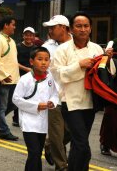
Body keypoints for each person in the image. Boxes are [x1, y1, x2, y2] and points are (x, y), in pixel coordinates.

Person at [50, 12, 112, 171]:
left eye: (86, 26)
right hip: (70, 103)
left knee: (79, 145)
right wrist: (79, 65)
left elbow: (105, 73)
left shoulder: (97, 48)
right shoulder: (63, 49)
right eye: (78, 26)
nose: (82, 29)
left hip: (90, 102)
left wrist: (107, 59)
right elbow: (57, 75)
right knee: (83, 145)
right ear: (71, 29)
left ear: (90, 28)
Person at [12, 47, 58, 171]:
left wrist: (52, 102)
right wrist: (36, 106)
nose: (44, 62)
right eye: (40, 59)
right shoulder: (25, 79)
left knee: (37, 154)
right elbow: (16, 99)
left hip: (43, 122)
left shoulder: (50, 78)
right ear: (32, 62)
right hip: (28, 122)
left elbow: (55, 93)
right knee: (34, 152)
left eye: (47, 60)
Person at [42, 15, 72, 170]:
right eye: (49, 27)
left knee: (71, 132)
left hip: (75, 97)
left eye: (53, 27)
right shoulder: (47, 47)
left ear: (63, 27)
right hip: (54, 96)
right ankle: (62, 166)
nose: (50, 30)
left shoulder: (77, 45)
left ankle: (49, 144)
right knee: (56, 134)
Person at [12, 26, 36, 127]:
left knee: (31, 96)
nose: (28, 37)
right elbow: (14, 62)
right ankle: (16, 118)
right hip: (20, 75)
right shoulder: (17, 47)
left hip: (33, 76)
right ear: (23, 36)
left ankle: (28, 117)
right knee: (20, 97)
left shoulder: (36, 48)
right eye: (26, 35)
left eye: (30, 35)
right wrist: (26, 69)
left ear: (34, 36)